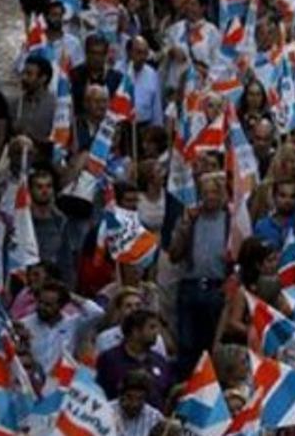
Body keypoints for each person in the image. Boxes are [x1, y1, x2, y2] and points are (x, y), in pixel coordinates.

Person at [168, 173, 233, 378]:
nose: (210, 197)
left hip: (218, 287)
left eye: (215, 192)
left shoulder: (230, 220)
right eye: (205, 193)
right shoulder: (190, 218)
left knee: (214, 344)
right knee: (187, 345)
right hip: (190, 286)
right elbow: (174, 255)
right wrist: (185, 227)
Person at [19, 278, 106, 373]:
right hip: (32, 380)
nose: (42, 307)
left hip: (60, 382)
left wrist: (71, 296)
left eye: (48, 305)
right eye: (40, 302)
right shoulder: (24, 324)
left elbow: (98, 313)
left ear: (61, 305)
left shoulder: (73, 324)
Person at [96, 308, 171, 407]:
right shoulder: (109, 359)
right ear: (135, 331)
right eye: (152, 327)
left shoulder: (160, 361)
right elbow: (100, 393)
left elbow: (168, 394)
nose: (156, 332)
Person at [109, 370, 165, 436]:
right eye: (129, 397)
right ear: (121, 395)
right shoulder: (107, 410)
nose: (134, 404)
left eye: (140, 399)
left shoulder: (155, 418)